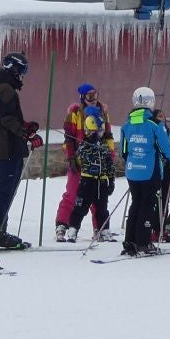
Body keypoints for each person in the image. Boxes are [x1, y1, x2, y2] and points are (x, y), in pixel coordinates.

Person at [0, 50, 40, 250]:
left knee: (7, 189)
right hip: (7, 146)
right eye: (22, 70)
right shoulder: (5, 89)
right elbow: (7, 120)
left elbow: (10, 117)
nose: (23, 75)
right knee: (5, 189)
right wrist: (25, 133)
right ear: (13, 68)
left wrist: (26, 127)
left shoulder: (4, 87)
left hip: (8, 145)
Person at [120, 86, 170, 255]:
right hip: (149, 171)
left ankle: (129, 241)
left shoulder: (127, 124)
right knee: (148, 204)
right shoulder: (154, 125)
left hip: (132, 171)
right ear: (150, 102)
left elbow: (123, 151)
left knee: (136, 203)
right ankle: (143, 242)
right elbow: (164, 148)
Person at [54, 82, 99, 241]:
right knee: (72, 194)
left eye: (95, 95)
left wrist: (110, 156)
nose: (93, 99)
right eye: (89, 96)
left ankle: (99, 227)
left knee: (96, 196)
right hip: (79, 161)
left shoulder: (102, 113)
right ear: (82, 97)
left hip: (96, 162)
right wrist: (71, 157)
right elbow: (69, 139)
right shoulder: (74, 114)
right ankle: (62, 224)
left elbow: (107, 136)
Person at [70, 101, 118, 242]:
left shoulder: (104, 147)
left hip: (102, 182)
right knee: (81, 208)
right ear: (87, 131)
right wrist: (92, 144)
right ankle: (73, 230)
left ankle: (104, 231)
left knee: (102, 209)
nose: (99, 135)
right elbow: (82, 157)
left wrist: (111, 180)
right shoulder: (85, 146)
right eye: (95, 132)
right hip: (87, 181)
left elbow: (109, 164)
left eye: (101, 132)